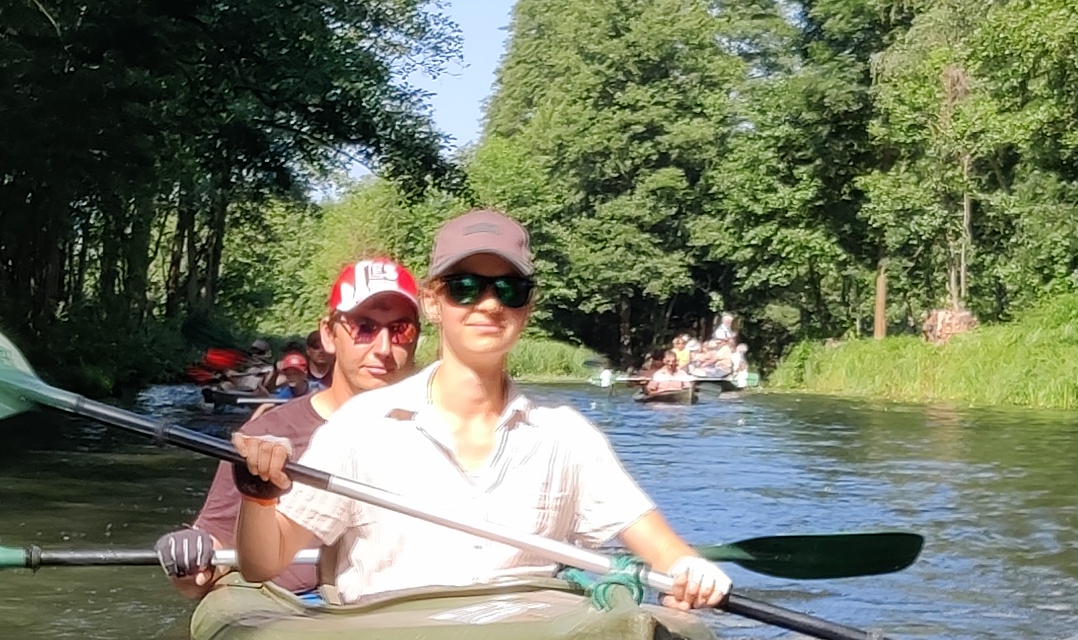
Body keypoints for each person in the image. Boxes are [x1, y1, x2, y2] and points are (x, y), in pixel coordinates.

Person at [229, 210, 732, 610]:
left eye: (509, 290)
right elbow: (262, 564)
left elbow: (663, 550)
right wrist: (259, 496)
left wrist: (689, 571)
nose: (489, 305)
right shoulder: (360, 426)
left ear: (527, 309)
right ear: (433, 302)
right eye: (465, 288)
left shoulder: (567, 434)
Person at [155, 257, 428, 591]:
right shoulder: (260, 437)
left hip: (398, 607)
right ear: (328, 334)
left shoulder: (443, 432)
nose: (383, 348)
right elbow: (201, 574)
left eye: (401, 330)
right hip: (291, 609)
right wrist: (190, 554)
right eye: (364, 328)